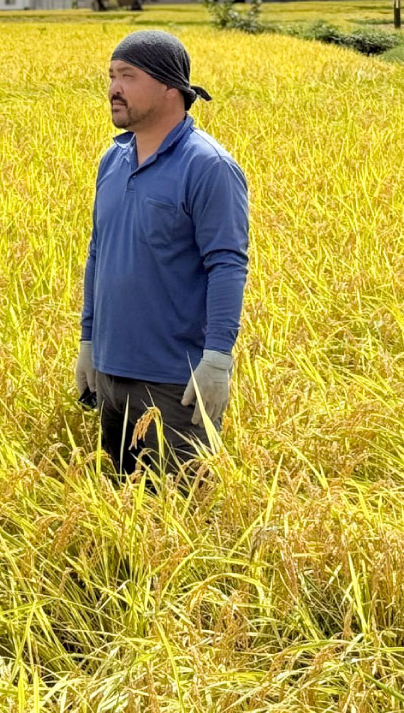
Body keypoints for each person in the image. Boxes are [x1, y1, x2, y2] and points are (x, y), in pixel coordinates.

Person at [74, 29, 249, 482]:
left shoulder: (207, 166)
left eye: (128, 76)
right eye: (112, 76)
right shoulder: (112, 161)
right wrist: (89, 342)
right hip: (111, 374)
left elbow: (227, 265)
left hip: (174, 383)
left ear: (169, 87)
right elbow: (99, 252)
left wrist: (217, 360)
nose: (113, 88)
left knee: (179, 525)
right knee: (118, 518)